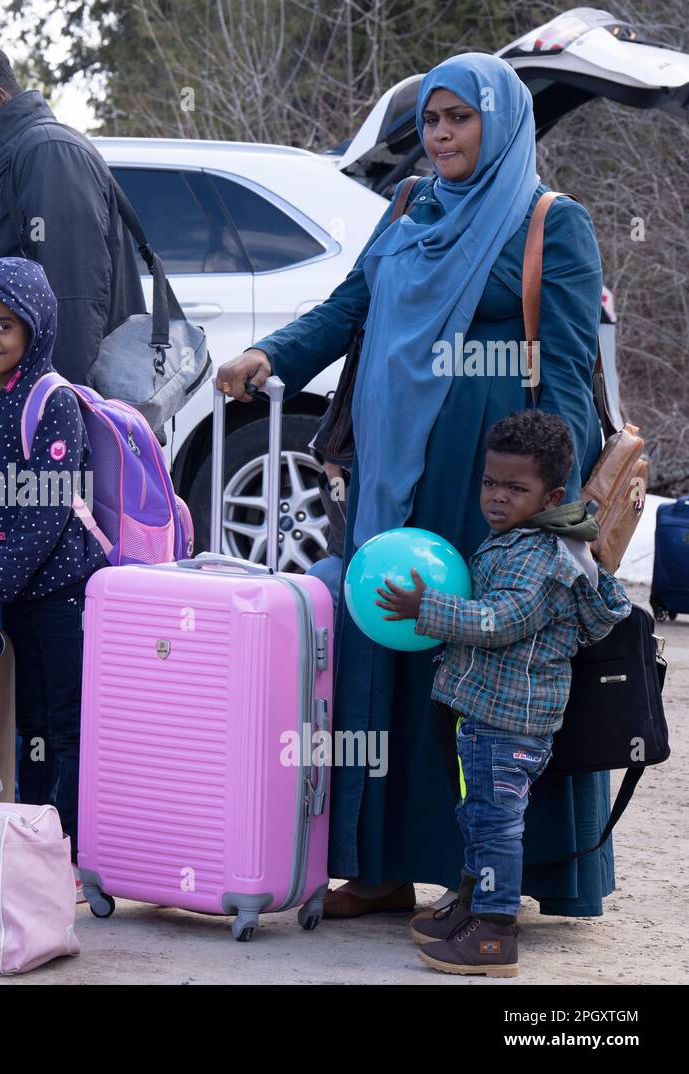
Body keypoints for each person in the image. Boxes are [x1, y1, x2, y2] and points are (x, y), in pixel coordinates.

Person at [216, 53, 619, 920]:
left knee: (485, 662)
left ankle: (487, 873)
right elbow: (347, 307)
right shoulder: (409, 208)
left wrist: (549, 510)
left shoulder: (553, 223)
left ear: (499, 124)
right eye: (431, 121)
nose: (439, 135)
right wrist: (271, 356)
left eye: (457, 119)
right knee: (387, 650)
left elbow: (569, 376)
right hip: (392, 479)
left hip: (495, 485)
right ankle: (383, 863)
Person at [377, 410, 630, 975]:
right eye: (491, 482)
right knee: (479, 817)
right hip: (487, 713)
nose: (496, 497)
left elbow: (502, 621)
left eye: (516, 488)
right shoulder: (516, 539)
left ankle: (493, 934)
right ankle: (471, 906)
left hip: (511, 722)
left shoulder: (542, 555)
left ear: (551, 494)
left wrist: (428, 610)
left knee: (495, 823)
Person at [0, 257, 106, 894]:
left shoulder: (52, 401)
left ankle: (69, 843)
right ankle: (35, 840)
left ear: (35, 329)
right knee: (28, 723)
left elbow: (46, 516)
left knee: (65, 725)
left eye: (5, 326)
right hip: (13, 598)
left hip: (62, 596)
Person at [0, 41, 144, 492]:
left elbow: (73, 302)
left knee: (46, 559)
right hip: (12, 417)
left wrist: (56, 435)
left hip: (41, 430)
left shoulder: (47, 153)